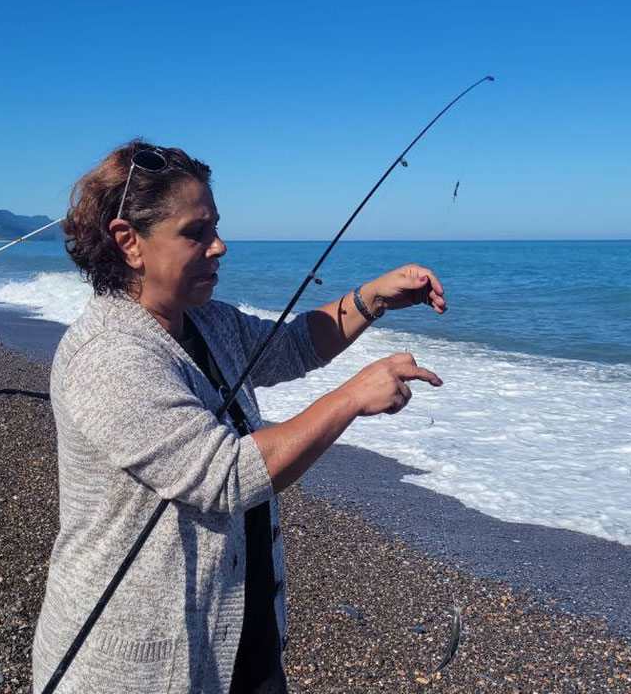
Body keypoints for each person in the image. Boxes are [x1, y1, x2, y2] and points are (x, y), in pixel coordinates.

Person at [32, 141, 448, 694]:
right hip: (140, 663)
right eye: (195, 232)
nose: (219, 246)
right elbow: (225, 476)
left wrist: (373, 297)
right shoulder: (109, 355)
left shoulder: (200, 320)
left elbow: (293, 345)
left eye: (216, 227)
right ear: (129, 242)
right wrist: (351, 398)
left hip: (233, 628)